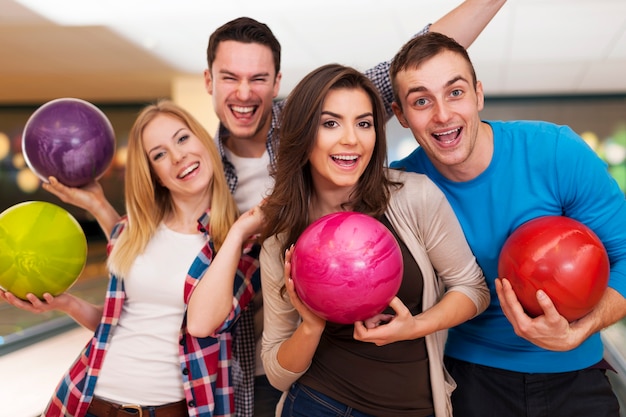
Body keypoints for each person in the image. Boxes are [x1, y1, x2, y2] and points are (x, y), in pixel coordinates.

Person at [42, 3, 506, 415]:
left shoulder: (311, 121)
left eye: (258, 78)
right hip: (252, 361)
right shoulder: (201, 168)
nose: (244, 92)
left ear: (277, 83)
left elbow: (414, 62)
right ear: (209, 81)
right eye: (230, 77)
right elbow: (163, 247)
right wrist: (104, 212)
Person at [388, 32, 626, 417]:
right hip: (467, 379)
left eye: (455, 92)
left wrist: (581, 329)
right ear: (400, 115)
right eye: (421, 101)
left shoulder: (555, 151)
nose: (443, 115)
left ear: (478, 94)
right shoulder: (400, 189)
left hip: (576, 374)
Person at [0, 99, 262, 417]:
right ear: (155, 175)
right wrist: (65, 304)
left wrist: (235, 232)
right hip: (88, 400)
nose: (179, 156)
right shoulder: (133, 233)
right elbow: (115, 323)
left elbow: (203, 324)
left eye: (182, 138)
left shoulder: (241, 245)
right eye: (159, 154)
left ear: (202, 141)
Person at [259, 63, 489, 417]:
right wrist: (311, 326)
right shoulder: (282, 236)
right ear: (303, 134)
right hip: (318, 404)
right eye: (330, 123)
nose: (351, 138)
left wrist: (416, 326)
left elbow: (473, 288)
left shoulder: (414, 196)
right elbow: (276, 373)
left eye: (364, 123)